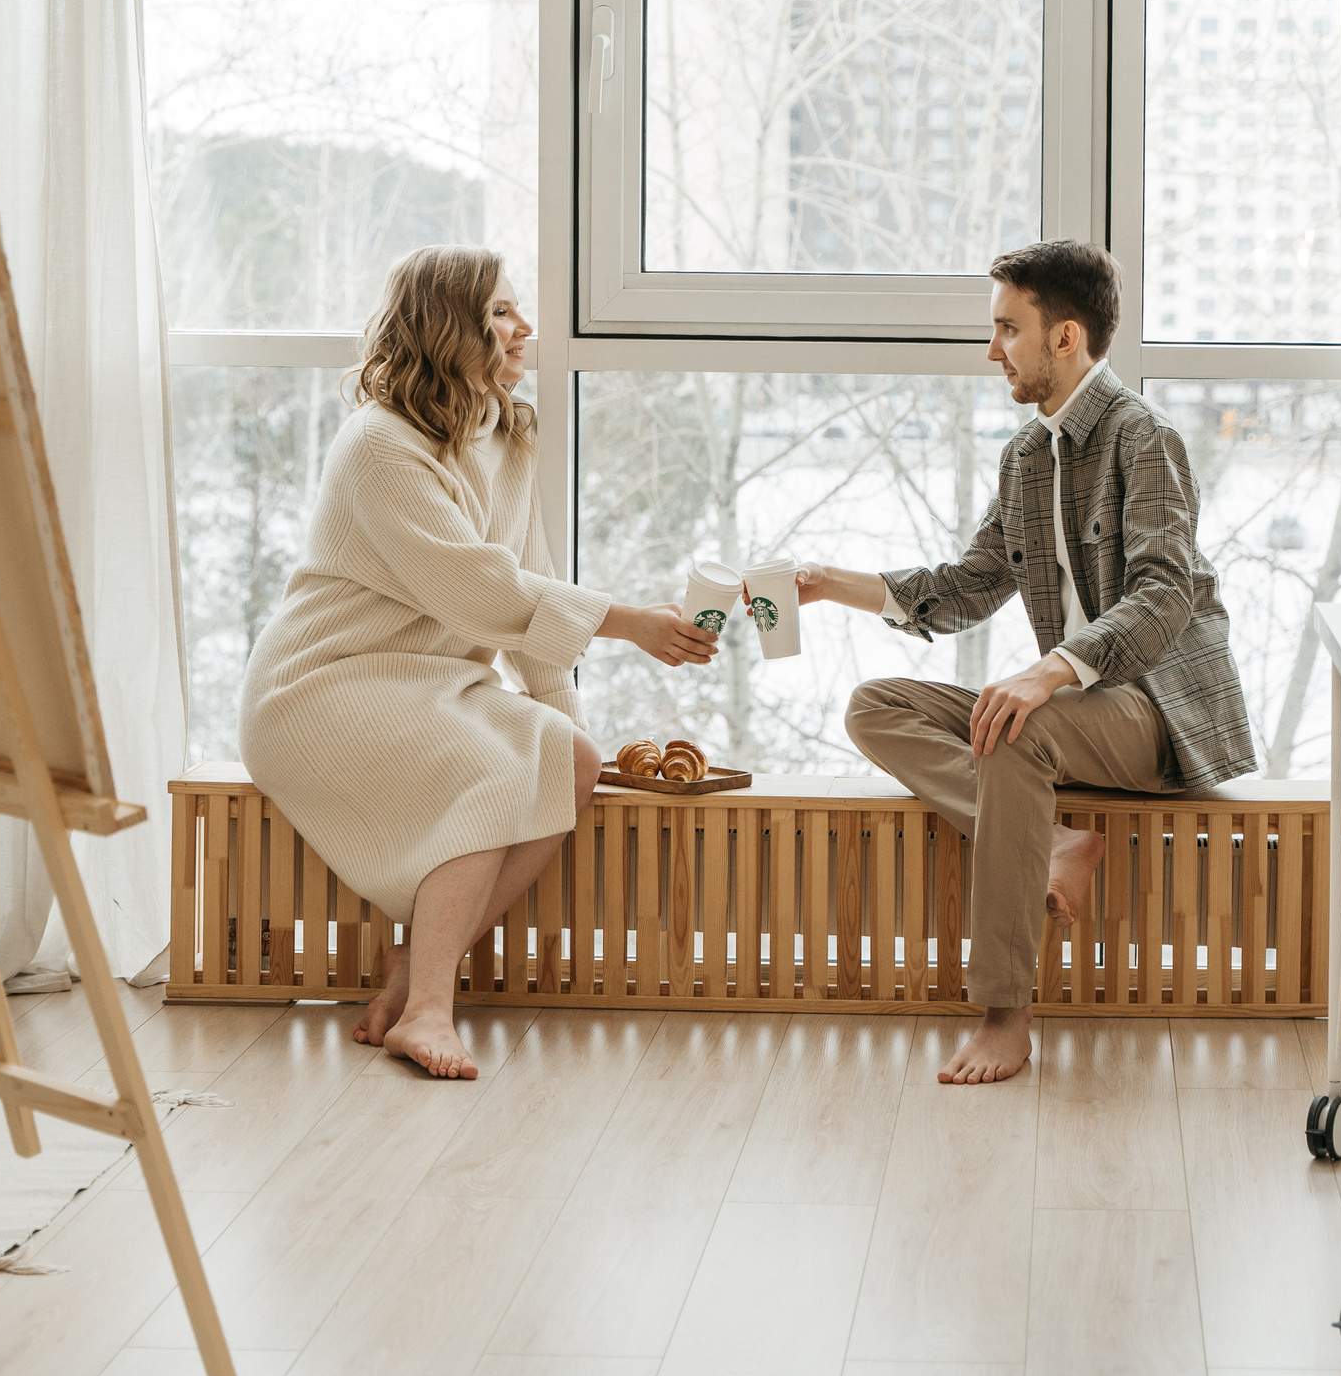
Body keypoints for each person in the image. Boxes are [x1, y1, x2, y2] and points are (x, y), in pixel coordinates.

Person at [239, 246, 713, 1080]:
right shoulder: (378, 445)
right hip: (323, 682)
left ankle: (414, 962)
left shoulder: (507, 430)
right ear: (446, 326)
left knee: (570, 760)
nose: (524, 326)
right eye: (500, 311)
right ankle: (429, 1006)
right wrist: (629, 622)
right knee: (491, 771)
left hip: (431, 683)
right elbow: (479, 588)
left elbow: (530, 583)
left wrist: (562, 727)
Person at [796, 240, 1255, 1086]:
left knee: (1015, 727)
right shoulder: (1024, 458)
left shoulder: (1143, 437)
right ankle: (1052, 839)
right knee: (874, 705)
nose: (992, 349)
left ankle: (1006, 1014)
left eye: (1008, 328)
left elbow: (1164, 593)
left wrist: (1050, 671)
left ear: (1065, 337)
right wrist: (832, 585)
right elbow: (968, 586)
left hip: (1155, 711)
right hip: (1076, 712)